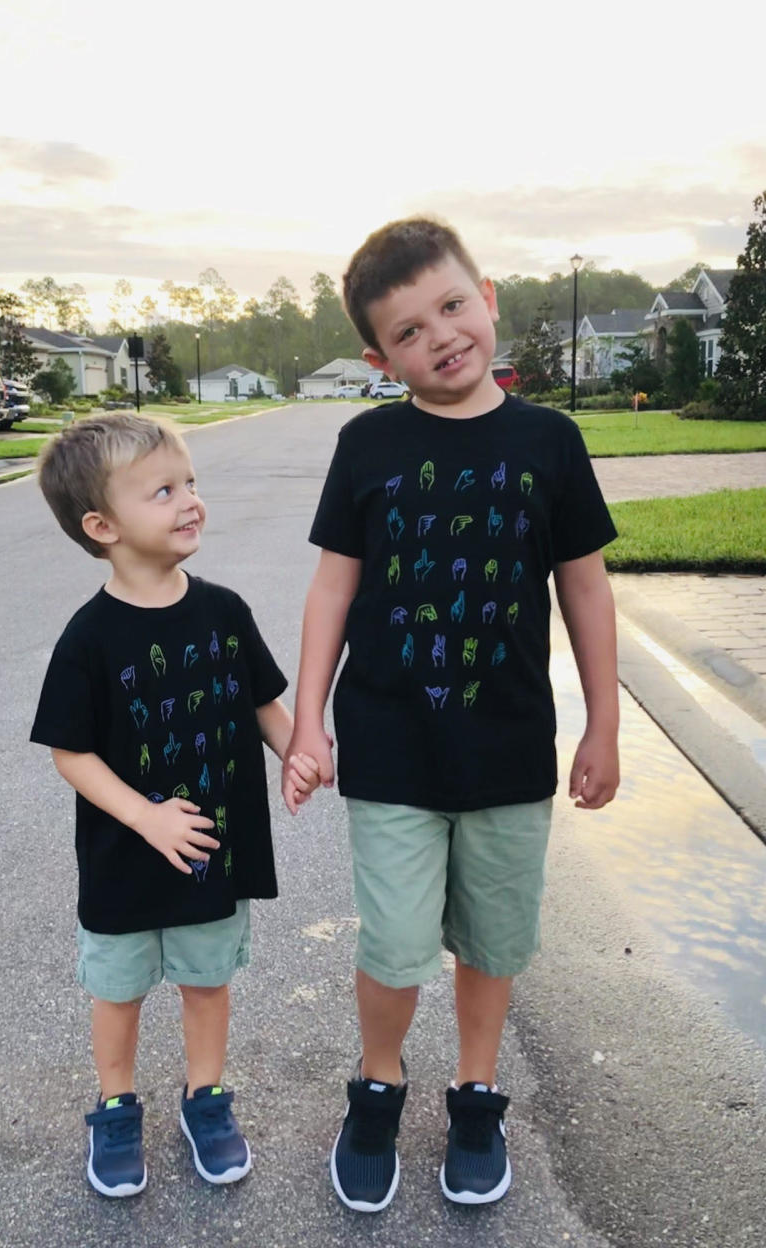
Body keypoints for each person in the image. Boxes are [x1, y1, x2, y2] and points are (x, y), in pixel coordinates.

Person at [283, 217, 620, 1212]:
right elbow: (331, 592)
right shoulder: (368, 443)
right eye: (409, 329)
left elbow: (587, 591)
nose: (440, 334)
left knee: (492, 939)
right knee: (391, 943)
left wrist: (603, 722)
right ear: (377, 355)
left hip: (511, 747)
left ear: (488, 298)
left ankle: (477, 1093)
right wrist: (309, 723)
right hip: (391, 747)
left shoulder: (550, 441)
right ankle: (378, 1085)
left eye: (451, 305)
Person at [30, 413, 318, 1198]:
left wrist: (299, 750)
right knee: (117, 988)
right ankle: (117, 1105)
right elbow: (70, 752)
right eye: (163, 490)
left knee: (206, 979)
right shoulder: (88, 638)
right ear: (103, 526)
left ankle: (206, 1098)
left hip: (209, 850)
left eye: (191, 483)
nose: (190, 501)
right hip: (126, 854)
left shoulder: (224, 612)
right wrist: (144, 816)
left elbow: (262, 701)